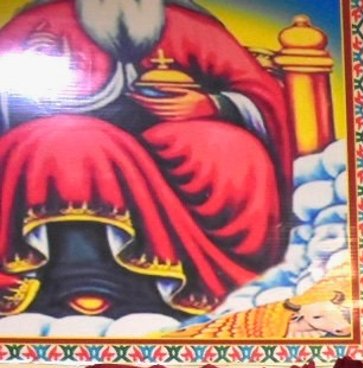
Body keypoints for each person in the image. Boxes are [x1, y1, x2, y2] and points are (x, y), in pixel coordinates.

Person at [0, 0, 295, 320]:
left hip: (166, 141)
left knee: (229, 148)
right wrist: (36, 65)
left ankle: (203, 287)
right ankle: (85, 280)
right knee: (71, 142)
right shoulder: (41, 24)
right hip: (69, 138)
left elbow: (260, 93)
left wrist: (212, 105)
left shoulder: (185, 24)